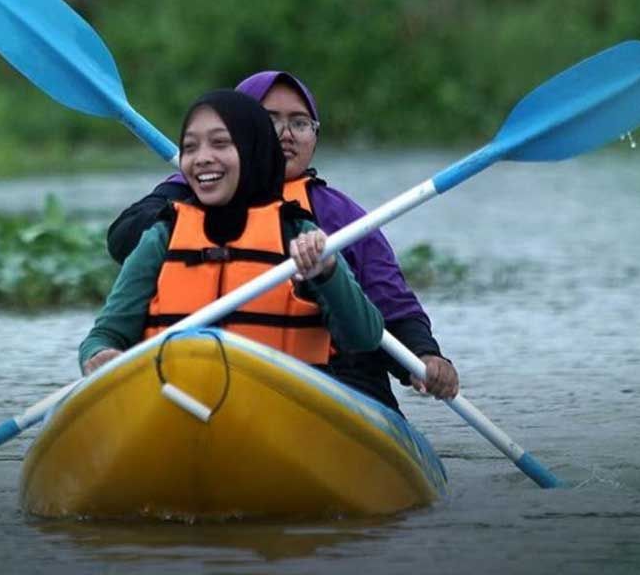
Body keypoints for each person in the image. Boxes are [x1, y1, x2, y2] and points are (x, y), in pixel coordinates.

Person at [105, 72, 458, 412]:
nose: (285, 134)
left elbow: (390, 302)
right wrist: (194, 213)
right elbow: (123, 239)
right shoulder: (185, 195)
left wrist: (423, 355)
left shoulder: (341, 215)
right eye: (270, 119)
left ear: (315, 136)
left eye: (300, 123)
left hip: (328, 381)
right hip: (190, 376)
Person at [80, 90, 384, 376]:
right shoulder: (162, 236)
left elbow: (365, 337)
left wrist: (327, 272)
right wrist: (99, 354)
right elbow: (105, 334)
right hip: (177, 392)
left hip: (280, 398)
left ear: (253, 150)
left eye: (220, 143)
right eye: (190, 147)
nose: (202, 158)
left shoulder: (297, 233)